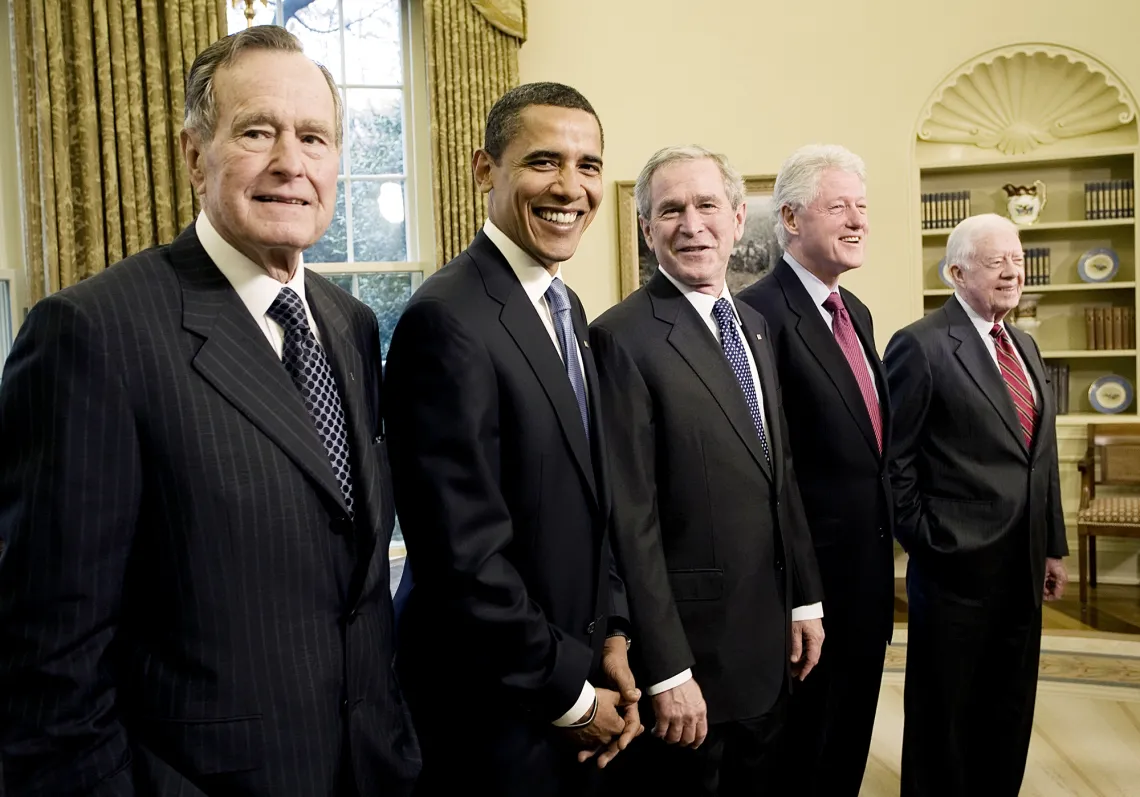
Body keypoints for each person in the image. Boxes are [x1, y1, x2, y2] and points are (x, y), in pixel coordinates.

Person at [0, 26, 418, 796]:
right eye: (258, 131)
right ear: (195, 155)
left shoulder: (349, 324)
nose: (291, 163)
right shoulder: (92, 335)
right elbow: (47, 672)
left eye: (315, 138)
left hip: (370, 768)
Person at [383, 82, 641, 797]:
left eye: (588, 165)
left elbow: (588, 498)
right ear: (484, 169)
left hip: (569, 668)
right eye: (544, 161)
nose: (571, 187)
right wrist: (574, 697)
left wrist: (614, 632)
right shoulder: (447, 319)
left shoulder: (565, 304)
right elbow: (463, 558)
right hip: (492, 707)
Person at [590, 145, 824, 796]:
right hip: (693, 667)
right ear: (647, 229)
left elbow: (780, 475)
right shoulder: (621, 337)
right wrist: (667, 670)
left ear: (737, 216)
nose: (690, 224)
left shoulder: (752, 325)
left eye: (705, 205)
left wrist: (804, 597)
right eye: (670, 210)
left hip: (769, 647)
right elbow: (630, 518)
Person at [884, 212, 1069, 797]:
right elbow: (894, 465)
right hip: (955, 574)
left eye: (1017, 259)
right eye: (997, 262)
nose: (1013, 272)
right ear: (957, 271)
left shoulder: (1027, 345)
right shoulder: (922, 344)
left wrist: (1054, 546)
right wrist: (933, 540)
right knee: (947, 722)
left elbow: (1043, 458)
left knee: (1008, 710)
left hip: (1023, 566)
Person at [736, 144, 893, 796]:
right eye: (840, 208)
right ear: (793, 218)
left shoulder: (854, 311)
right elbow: (772, 471)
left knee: (848, 748)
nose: (858, 222)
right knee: (804, 760)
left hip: (869, 580)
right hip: (808, 595)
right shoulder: (759, 316)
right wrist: (804, 593)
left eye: (862, 207)